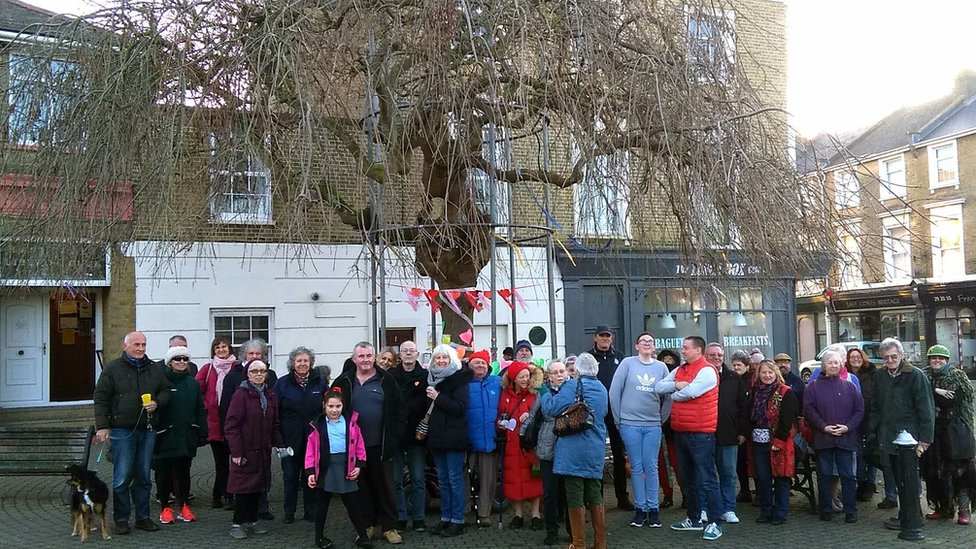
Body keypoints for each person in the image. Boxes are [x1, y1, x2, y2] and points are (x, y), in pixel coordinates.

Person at [93, 331, 171, 535]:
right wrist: (102, 426)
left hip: (147, 429)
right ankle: (121, 519)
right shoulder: (112, 369)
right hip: (121, 429)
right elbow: (100, 398)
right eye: (136, 344)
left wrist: (157, 403)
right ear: (125, 346)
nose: (141, 348)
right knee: (122, 477)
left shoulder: (154, 368)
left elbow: (166, 391)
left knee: (144, 476)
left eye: (144, 344)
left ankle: (143, 517)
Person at [331, 342, 404, 545]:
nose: (365, 360)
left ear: (374, 357)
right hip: (354, 448)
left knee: (386, 487)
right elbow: (331, 408)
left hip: (381, 446)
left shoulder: (386, 380)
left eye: (368, 356)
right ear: (354, 359)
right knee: (361, 488)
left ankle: (389, 527)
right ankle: (368, 525)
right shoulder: (343, 381)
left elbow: (399, 411)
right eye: (361, 356)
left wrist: (394, 438)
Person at [655, 336, 723, 541]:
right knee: (688, 478)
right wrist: (680, 385)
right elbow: (658, 387)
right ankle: (693, 519)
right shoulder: (681, 369)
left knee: (708, 478)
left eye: (686, 348)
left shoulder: (707, 370)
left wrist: (675, 390)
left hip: (702, 433)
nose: (682, 351)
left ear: (698, 350)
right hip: (681, 431)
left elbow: (691, 392)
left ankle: (715, 522)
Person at [541, 353, 609, 549]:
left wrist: (544, 392)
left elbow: (552, 408)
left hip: (573, 448)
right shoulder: (602, 388)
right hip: (595, 446)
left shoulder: (573, 385)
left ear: (577, 370)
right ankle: (600, 543)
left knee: (574, 495)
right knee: (595, 494)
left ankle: (578, 544)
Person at [871, 338, 935, 541]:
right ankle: (906, 512)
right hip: (888, 435)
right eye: (886, 357)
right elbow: (876, 405)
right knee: (896, 475)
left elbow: (926, 409)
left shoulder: (915, 375)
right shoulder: (880, 376)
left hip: (910, 436)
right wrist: (874, 431)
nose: (890, 360)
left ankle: (912, 515)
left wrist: (924, 440)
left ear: (902, 355)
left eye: (894, 356)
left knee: (910, 476)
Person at [608, 332, 671, 528]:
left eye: (650, 341)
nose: (646, 344)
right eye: (643, 341)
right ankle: (640, 509)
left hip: (652, 425)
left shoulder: (661, 367)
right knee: (636, 467)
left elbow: (669, 395)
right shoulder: (627, 363)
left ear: (654, 347)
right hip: (630, 424)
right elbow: (614, 392)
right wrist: (619, 421)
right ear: (636, 346)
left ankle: (653, 510)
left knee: (651, 466)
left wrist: (661, 419)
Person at [219, 338, 279, 520]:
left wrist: (279, 443)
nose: (259, 374)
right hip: (244, 446)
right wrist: (235, 449)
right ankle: (239, 522)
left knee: (259, 483)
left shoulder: (269, 392)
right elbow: (230, 421)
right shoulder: (239, 390)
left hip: (262, 446)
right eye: (254, 371)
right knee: (244, 486)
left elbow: (274, 419)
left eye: (262, 371)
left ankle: (254, 518)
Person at [305, 388, 371, 549]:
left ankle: (363, 537)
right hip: (325, 468)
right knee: (321, 505)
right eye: (331, 406)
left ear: (343, 406)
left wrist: (359, 465)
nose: (334, 410)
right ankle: (319, 538)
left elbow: (360, 445)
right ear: (324, 406)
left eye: (338, 406)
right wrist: (310, 472)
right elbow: (310, 451)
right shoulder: (317, 426)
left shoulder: (351, 424)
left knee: (353, 504)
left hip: (346, 466)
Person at [804, 349, 864, 523]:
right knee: (824, 475)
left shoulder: (850, 386)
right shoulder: (813, 387)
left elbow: (860, 410)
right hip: (823, 439)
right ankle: (825, 510)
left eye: (836, 362)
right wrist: (823, 426)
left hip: (846, 438)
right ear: (824, 365)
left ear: (841, 365)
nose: (833, 365)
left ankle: (850, 511)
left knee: (847, 476)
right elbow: (808, 410)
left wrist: (847, 427)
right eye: (829, 362)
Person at [919, 344, 976, 525]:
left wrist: (932, 393)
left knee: (960, 473)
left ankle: (963, 511)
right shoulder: (923, 375)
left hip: (956, 432)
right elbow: (917, 396)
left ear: (946, 361)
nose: (937, 361)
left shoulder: (958, 377)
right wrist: (935, 390)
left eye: (941, 358)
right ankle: (943, 508)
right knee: (935, 473)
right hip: (933, 432)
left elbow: (949, 401)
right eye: (934, 358)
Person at [155, 346, 207, 525]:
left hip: (186, 435)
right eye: (178, 359)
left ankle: (184, 505)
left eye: (185, 359)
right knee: (164, 474)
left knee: (183, 473)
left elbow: (199, 408)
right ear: (170, 362)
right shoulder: (160, 382)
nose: (182, 362)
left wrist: (202, 431)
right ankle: (165, 508)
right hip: (165, 435)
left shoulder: (192, 383)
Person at [275, 346, 328, 523]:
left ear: (311, 362)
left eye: (306, 361)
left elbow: (326, 409)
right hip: (288, 439)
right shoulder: (281, 384)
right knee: (290, 477)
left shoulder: (319, 382)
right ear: (293, 363)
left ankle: (310, 511)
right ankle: (289, 512)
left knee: (310, 476)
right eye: (299, 361)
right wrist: (278, 439)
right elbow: (276, 413)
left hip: (313, 440)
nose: (303, 364)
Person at [425, 344, 472, 537]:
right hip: (437, 437)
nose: (441, 361)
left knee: (454, 479)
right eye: (438, 358)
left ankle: (457, 520)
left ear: (452, 360)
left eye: (445, 358)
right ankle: (445, 518)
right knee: (442, 480)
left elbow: (460, 407)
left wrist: (438, 397)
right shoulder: (430, 379)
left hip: (454, 437)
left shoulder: (459, 380)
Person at [522, 359, 569, 545]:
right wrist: (522, 434)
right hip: (547, 446)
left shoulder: (573, 391)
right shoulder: (543, 393)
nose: (559, 375)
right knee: (549, 492)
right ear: (548, 376)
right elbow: (533, 416)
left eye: (562, 371)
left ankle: (572, 530)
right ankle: (552, 530)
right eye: (555, 372)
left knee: (568, 491)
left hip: (568, 446)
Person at [749, 359, 800, 525]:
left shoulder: (785, 392)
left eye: (770, 372)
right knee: (762, 478)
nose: (767, 375)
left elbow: (788, 419)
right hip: (758, 440)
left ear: (776, 373)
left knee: (780, 477)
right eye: (763, 372)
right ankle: (766, 511)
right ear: (759, 374)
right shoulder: (755, 391)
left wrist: (778, 441)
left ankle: (780, 512)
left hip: (780, 441)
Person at [706, 343, 749, 524]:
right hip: (704, 433)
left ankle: (728, 508)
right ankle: (708, 509)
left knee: (728, 473)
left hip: (730, 433)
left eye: (720, 354)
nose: (717, 357)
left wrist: (743, 431)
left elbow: (744, 407)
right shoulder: (700, 376)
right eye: (713, 354)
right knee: (707, 474)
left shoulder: (733, 377)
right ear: (706, 356)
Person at [498, 360, 544, 529]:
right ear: (513, 378)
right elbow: (500, 414)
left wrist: (531, 418)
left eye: (527, 375)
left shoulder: (535, 394)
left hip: (529, 443)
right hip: (511, 443)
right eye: (521, 376)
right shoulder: (505, 395)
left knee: (533, 478)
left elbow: (542, 416)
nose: (525, 379)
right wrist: (500, 423)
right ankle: (518, 515)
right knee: (514, 479)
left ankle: (535, 514)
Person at [589, 324, 631, 510]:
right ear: (595, 338)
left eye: (608, 336)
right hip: (596, 412)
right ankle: (596, 500)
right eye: (602, 336)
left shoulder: (620, 357)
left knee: (619, 456)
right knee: (596, 456)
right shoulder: (588, 358)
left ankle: (622, 498)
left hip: (616, 411)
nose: (605, 339)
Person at [388, 340, 429, 532]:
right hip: (396, 436)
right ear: (400, 354)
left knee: (418, 478)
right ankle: (401, 517)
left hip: (417, 436)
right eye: (405, 351)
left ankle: (419, 518)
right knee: (396, 480)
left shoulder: (425, 376)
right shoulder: (391, 376)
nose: (408, 354)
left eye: (412, 351)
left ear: (417, 353)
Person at [195, 336, 238, 510]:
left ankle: (229, 494)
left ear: (230, 349)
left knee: (234, 462)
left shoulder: (237, 368)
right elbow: (197, 390)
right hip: (214, 423)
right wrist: (207, 405)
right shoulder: (208, 369)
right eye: (217, 348)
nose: (221, 350)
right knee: (221, 463)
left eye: (224, 347)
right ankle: (218, 495)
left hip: (233, 422)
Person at [466, 349, 501, 529]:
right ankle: (464, 511)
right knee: (465, 476)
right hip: (468, 439)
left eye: (482, 363)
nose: (480, 366)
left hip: (490, 438)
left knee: (488, 478)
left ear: (488, 366)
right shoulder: (463, 383)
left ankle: (484, 513)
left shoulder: (497, 382)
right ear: (469, 365)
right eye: (476, 363)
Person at [848, 348, 883, 503]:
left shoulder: (873, 374)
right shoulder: (846, 374)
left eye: (858, 356)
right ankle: (861, 482)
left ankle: (870, 483)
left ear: (863, 358)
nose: (855, 359)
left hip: (870, 417)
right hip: (853, 418)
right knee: (859, 452)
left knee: (872, 450)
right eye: (852, 357)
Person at [656, 348, 681, 509]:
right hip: (659, 426)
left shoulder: (681, 378)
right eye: (664, 359)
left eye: (670, 360)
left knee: (680, 465)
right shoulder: (657, 380)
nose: (667, 362)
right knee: (662, 466)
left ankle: (686, 494)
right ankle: (667, 494)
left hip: (678, 428)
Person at [730, 350, 755, 505]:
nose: (736, 368)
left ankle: (758, 491)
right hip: (736, 426)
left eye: (739, 365)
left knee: (753, 461)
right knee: (740, 462)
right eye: (734, 365)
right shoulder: (732, 380)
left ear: (746, 365)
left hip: (750, 427)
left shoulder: (752, 382)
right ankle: (744, 489)